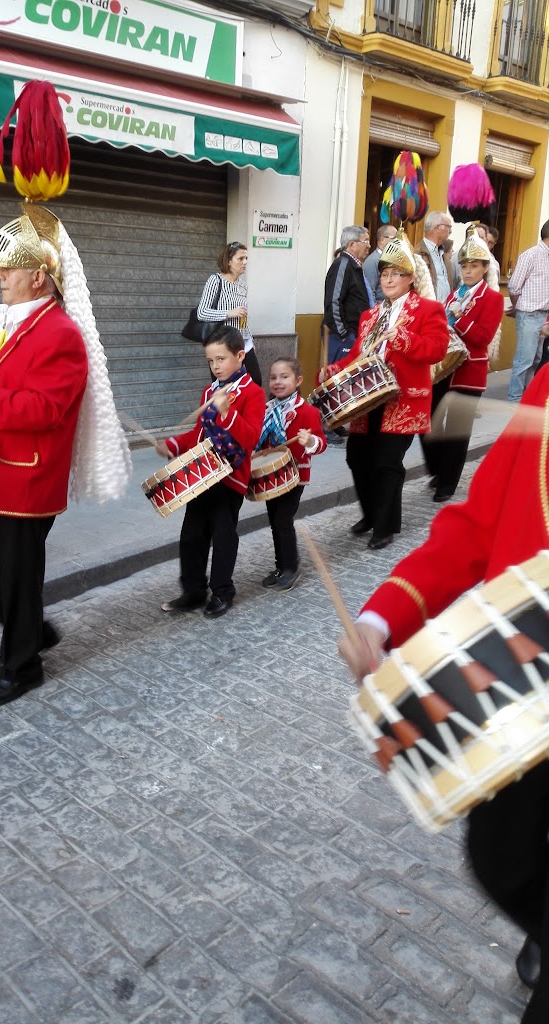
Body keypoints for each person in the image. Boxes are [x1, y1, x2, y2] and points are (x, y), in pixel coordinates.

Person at [337, 364, 549, 1024]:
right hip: (519, 684)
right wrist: (382, 618)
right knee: (500, 856)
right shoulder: (546, 385)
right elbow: (481, 524)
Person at [0, 204, 130, 707]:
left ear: (39, 278)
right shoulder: (18, 325)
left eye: (9, 268)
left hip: (24, 480)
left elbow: (47, 409)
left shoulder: (60, 334)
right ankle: (33, 631)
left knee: (19, 577)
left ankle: (22, 667)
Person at [318, 229, 448, 550]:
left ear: (410, 278)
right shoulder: (369, 315)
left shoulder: (427, 310)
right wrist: (336, 368)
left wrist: (401, 337)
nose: (388, 280)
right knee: (357, 456)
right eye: (385, 274)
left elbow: (437, 349)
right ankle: (372, 512)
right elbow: (357, 354)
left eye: (396, 274)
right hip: (367, 397)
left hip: (403, 399)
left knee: (387, 461)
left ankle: (384, 526)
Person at [155, 325, 265, 618]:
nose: (216, 366)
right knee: (192, 534)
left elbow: (251, 437)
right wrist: (175, 444)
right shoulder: (210, 390)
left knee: (223, 535)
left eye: (221, 359)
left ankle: (222, 591)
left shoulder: (252, 393)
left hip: (230, 477)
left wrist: (227, 413)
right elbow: (199, 433)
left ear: (240, 356)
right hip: (201, 474)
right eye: (211, 361)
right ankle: (192, 591)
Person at [420, 227, 504, 503]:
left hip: (469, 371)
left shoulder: (493, 298)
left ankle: (448, 482)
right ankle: (436, 468)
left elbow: (483, 337)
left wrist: (460, 319)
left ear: (484, 268)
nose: (467, 271)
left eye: (473, 266)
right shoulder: (454, 295)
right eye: (464, 266)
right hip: (444, 368)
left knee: (457, 429)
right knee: (428, 421)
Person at [256, 356, 327, 592]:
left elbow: (321, 444)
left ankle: (291, 567)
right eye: (273, 377)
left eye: (284, 377)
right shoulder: (265, 410)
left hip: (294, 476)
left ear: (298, 381)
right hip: (271, 476)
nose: (277, 382)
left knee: (283, 521)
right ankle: (280, 566)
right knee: (274, 521)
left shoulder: (306, 412)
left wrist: (310, 441)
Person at [196, 241, 262, 386]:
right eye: (240, 258)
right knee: (224, 386)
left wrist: (249, 338)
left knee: (255, 381)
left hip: (242, 342)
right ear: (229, 261)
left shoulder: (243, 286)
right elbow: (201, 313)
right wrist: (229, 313)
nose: (245, 262)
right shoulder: (215, 280)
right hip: (222, 343)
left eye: (246, 258)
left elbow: (242, 315)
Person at [507, 220, 549, 403]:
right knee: (524, 360)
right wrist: (519, 308)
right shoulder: (531, 255)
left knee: (535, 359)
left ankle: (527, 398)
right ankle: (514, 400)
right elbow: (514, 286)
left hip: (542, 315)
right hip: (529, 314)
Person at [323, 224, 372, 364]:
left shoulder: (355, 266)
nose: (369, 245)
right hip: (343, 338)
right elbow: (333, 301)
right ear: (352, 245)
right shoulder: (342, 264)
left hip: (356, 335)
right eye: (366, 241)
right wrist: (344, 334)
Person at [414, 211, 458, 303]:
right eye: (448, 227)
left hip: (445, 313)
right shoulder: (418, 254)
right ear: (438, 228)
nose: (450, 231)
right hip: (427, 312)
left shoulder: (443, 254)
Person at [363, 224, 398, 304]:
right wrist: (375, 313)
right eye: (394, 238)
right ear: (382, 239)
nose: (397, 242)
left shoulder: (392, 258)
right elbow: (369, 292)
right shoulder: (372, 261)